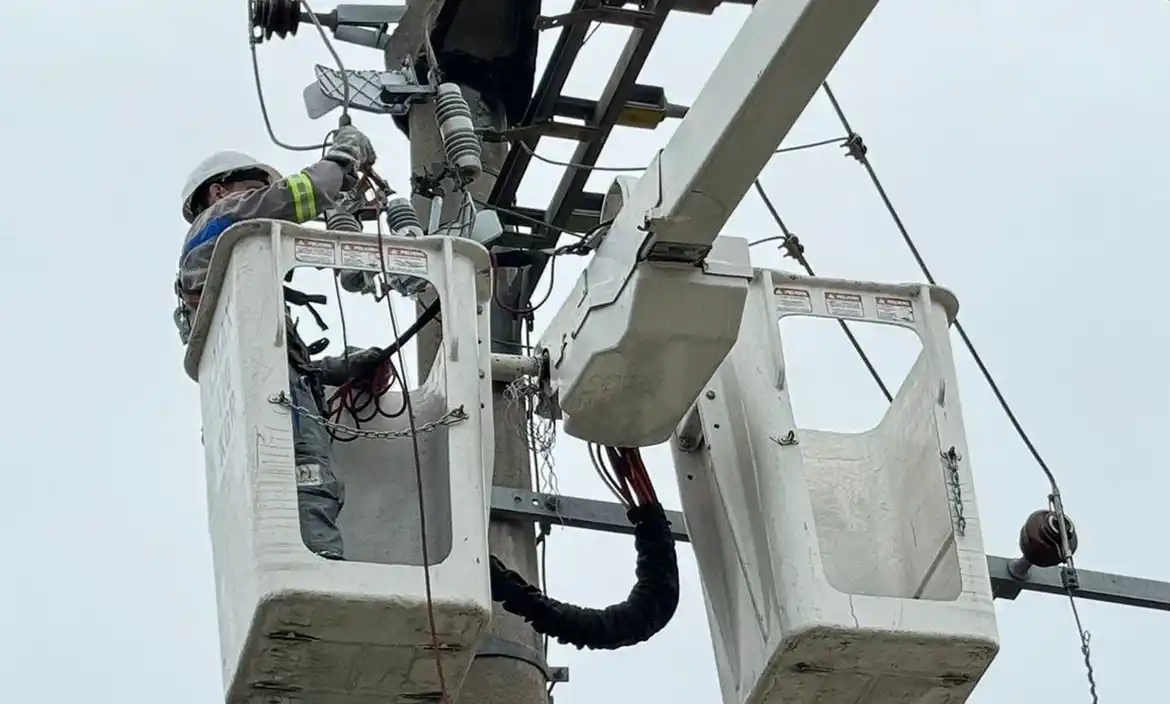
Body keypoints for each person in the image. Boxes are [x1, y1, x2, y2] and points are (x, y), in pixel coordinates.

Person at [173, 125, 384, 561]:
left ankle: (320, 577)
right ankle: (321, 580)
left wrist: (342, 368)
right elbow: (300, 193)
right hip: (275, 416)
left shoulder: (240, 295)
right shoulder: (218, 222)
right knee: (304, 493)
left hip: (275, 407)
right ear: (219, 191)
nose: (262, 202)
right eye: (254, 190)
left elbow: (282, 367)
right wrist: (343, 160)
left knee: (308, 491)